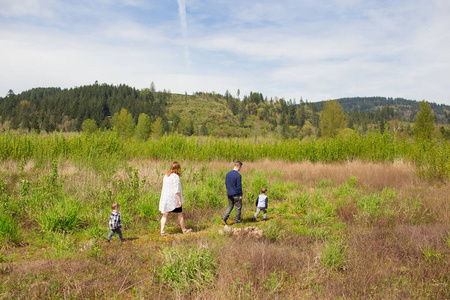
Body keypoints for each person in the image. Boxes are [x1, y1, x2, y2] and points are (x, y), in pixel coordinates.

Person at [159, 161, 193, 236]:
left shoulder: (166, 176)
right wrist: (179, 201)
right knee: (180, 214)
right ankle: (184, 230)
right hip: (173, 200)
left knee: (165, 215)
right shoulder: (175, 177)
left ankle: (162, 232)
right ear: (178, 169)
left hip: (165, 199)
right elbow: (177, 191)